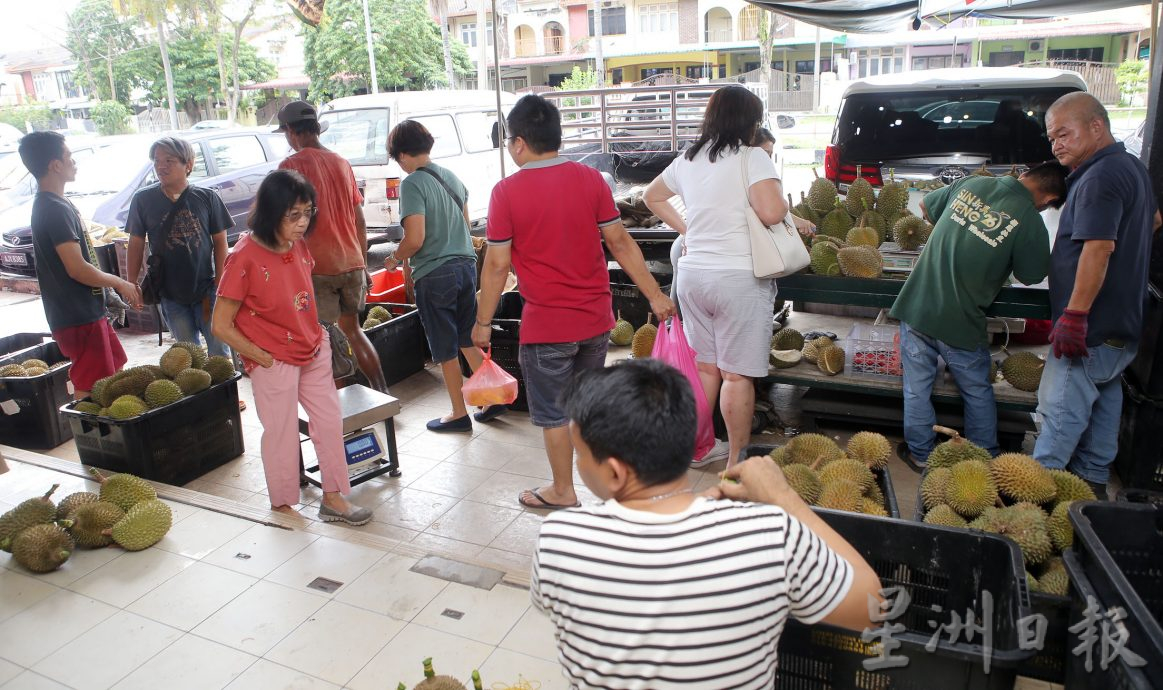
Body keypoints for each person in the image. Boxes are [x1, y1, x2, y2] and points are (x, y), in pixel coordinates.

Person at [532, 358, 882, 688]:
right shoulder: (772, 534)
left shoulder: (559, 540)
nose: (578, 463)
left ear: (614, 472)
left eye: (579, 454)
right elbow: (871, 609)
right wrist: (785, 498)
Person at [474, 94, 675, 511]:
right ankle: (608, 480)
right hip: (595, 321)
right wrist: (655, 295)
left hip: (547, 325)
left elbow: (496, 265)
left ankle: (563, 491)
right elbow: (620, 242)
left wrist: (482, 322)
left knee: (553, 413)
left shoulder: (506, 192)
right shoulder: (590, 180)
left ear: (519, 143)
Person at [644, 86, 812, 470]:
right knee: (736, 376)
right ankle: (737, 462)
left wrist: (687, 231)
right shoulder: (753, 157)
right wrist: (783, 202)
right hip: (738, 278)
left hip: (692, 277)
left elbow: (652, 197)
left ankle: (696, 448)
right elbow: (771, 213)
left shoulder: (689, 157)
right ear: (749, 121)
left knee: (706, 368)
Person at [212, 170, 373, 524]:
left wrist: (317, 333)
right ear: (272, 212)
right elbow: (220, 324)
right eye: (293, 215)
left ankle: (333, 498)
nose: (303, 223)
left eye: (307, 213)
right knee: (282, 433)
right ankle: (284, 506)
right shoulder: (243, 257)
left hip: (312, 347)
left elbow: (299, 292)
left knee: (329, 423)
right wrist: (261, 358)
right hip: (272, 359)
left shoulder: (297, 244)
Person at [890, 162, 1068, 470]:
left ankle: (921, 455)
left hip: (916, 305)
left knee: (916, 387)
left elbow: (925, 205)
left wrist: (959, 235)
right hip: (959, 319)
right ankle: (983, 458)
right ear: (1049, 199)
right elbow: (1031, 274)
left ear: (1025, 175)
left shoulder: (972, 183)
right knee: (976, 391)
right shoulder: (1029, 219)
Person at [1034, 92, 1160, 499]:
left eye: (1064, 134)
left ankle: (1034, 502)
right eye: (1052, 138)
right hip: (1121, 324)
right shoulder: (1130, 168)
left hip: (1088, 328)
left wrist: (1075, 315)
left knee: (1059, 415)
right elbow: (1154, 220)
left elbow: (1098, 247)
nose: (1057, 145)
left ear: (1096, 126)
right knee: (1105, 402)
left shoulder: (1100, 177)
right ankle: (1091, 489)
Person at [385, 119, 502, 431]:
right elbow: (465, 227)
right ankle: (490, 397)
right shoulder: (451, 177)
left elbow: (415, 238)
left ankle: (457, 412)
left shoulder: (412, 184)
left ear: (402, 154)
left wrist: (395, 259)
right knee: (465, 336)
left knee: (443, 347)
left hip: (435, 273)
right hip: (465, 267)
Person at [276, 100, 388, 393]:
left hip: (316, 268)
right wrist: (362, 264)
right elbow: (359, 218)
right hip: (351, 262)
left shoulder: (291, 166)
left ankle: (340, 407)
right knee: (353, 332)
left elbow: (284, 223)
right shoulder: (341, 161)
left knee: (325, 341)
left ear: (290, 131)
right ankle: (382, 392)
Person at [18, 131, 140, 400]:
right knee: (90, 385)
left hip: (86, 310)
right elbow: (76, 268)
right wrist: (118, 282)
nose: (75, 162)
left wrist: (105, 294)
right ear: (55, 165)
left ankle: (114, 432)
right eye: (69, 156)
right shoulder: (53, 209)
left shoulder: (58, 204)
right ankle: (90, 439)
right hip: (76, 315)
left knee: (116, 367)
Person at [126, 137, 232, 356]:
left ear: (188, 165)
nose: (161, 166)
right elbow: (135, 244)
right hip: (170, 293)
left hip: (207, 290)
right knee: (188, 356)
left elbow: (220, 242)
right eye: (156, 161)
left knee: (219, 351)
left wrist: (222, 285)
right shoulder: (143, 200)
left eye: (169, 160)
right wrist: (131, 283)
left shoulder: (207, 198)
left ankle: (224, 391)